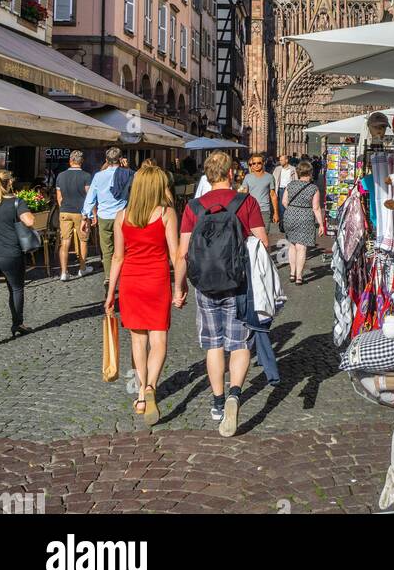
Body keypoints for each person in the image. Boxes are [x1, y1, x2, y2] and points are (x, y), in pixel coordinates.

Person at [174, 150, 267, 437]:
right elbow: (262, 242)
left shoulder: (193, 207)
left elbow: (182, 253)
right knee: (239, 344)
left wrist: (179, 288)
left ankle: (216, 402)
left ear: (208, 175)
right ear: (231, 174)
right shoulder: (246, 202)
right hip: (238, 283)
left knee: (214, 345)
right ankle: (234, 395)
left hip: (205, 284)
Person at [104, 160, 182, 426]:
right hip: (157, 281)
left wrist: (110, 293)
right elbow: (175, 254)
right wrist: (180, 287)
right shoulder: (166, 214)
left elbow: (117, 257)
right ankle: (151, 387)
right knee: (158, 340)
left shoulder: (122, 216)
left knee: (138, 341)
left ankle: (140, 394)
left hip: (131, 283)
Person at [81, 147, 128, 292]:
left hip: (104, 217)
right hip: (123, 216)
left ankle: (109, 277)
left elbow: (90, 198)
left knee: (107, 250)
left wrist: (85, 217)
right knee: (125, 248)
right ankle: (124, 277)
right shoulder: (128, 174)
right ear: (120, 159)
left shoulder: (98, 176)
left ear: (106, 160)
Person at [0, 169, 35, 337]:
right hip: (10, 253)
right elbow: (30, 221)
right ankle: (17, 323)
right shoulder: (16, 202)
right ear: (9, 183)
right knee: (16, 289)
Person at [280, 160, 325, 286]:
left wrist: (292, 209)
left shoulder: (291, 185)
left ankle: (292, 273)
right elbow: (316, 208)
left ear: (298, 172)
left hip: (290, 215)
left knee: (292, 245)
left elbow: (284, 201)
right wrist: (321, 224)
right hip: (305, 216)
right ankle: (299, 277)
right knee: (302, 247)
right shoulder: (313, 188)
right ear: (310, 173)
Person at [55, 150, 92, 281]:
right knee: (83, 240)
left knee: (65, 242)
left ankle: (64, 272)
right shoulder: (87, 176)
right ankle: (82, 268)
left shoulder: (60, 176)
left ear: (70, 161)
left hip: (65, 211)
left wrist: (63, 208)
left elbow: (59, 197)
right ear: (81, 162)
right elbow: (89, 197)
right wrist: (92, 214)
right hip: (81, 213)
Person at [240, 153, 278, 235]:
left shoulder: (269, 177)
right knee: (251, 236)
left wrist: (276, 213)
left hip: (265, 211)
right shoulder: (247, 177)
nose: (256, 165)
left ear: (263, 163)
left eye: (259, 163)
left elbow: (273, 195)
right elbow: (243, 194)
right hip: (251, 211)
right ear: (251, 165)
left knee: (264, 235)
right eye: (254, 163)